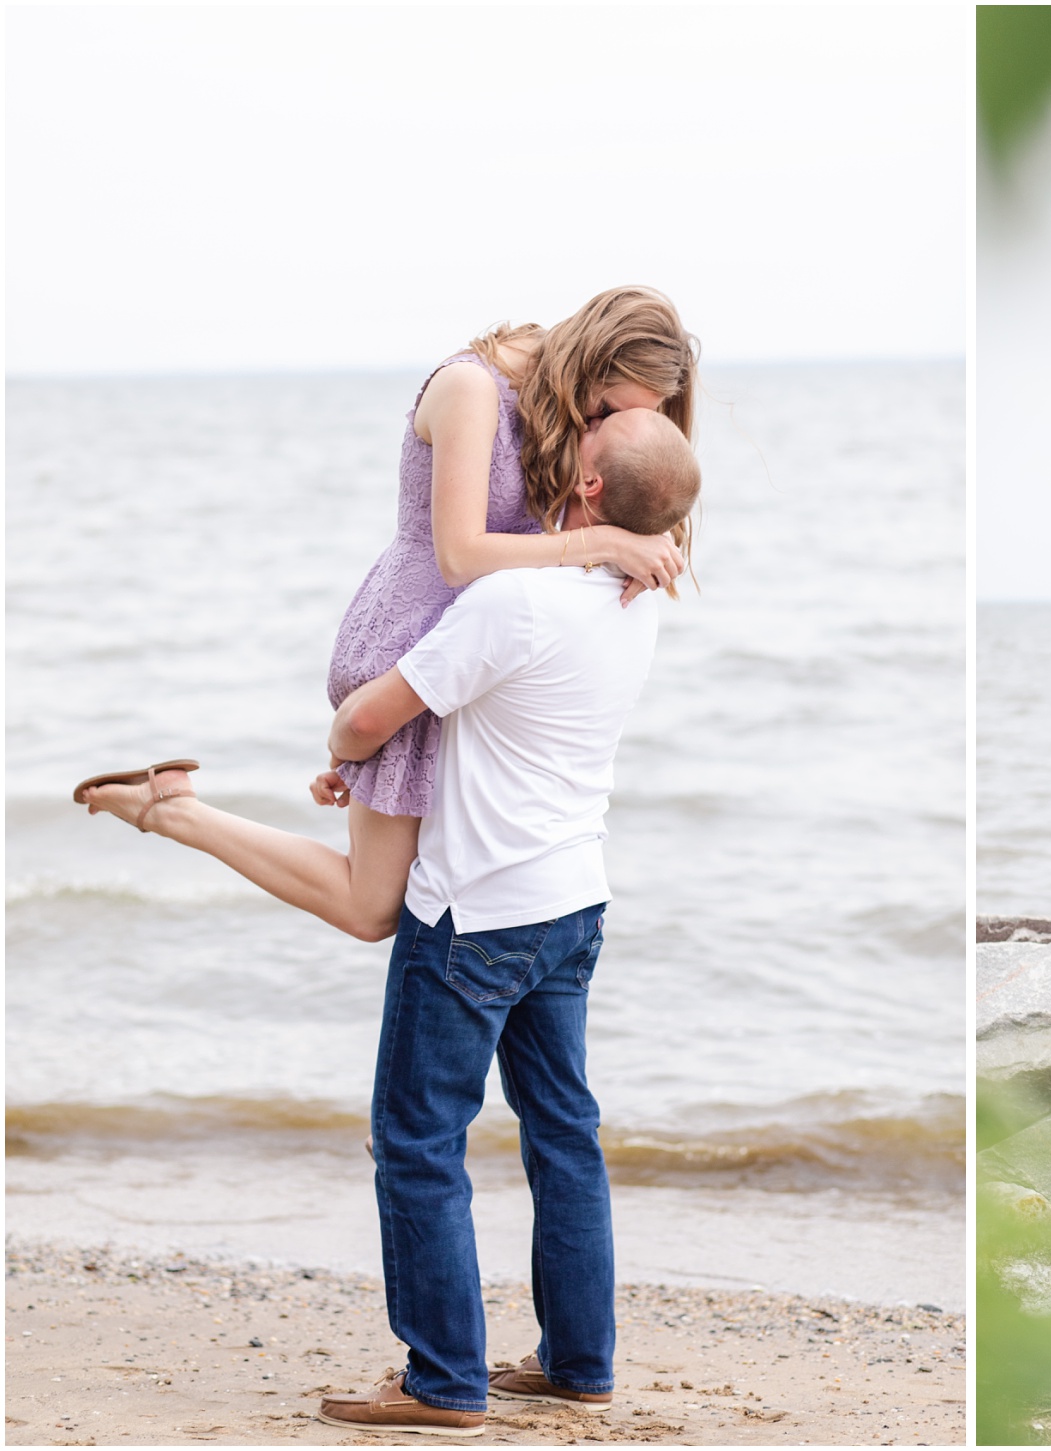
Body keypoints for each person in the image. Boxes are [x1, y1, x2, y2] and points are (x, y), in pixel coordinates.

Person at [294, 408, 697, 1436]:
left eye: (586, 448)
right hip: (573, 898)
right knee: (565, 1133)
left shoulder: (514, 600)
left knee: (418, 1139)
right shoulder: (638, 596)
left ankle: (441, 1380)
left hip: (476, 911)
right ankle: (579, 1362)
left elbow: (362, 718)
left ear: (592, 489)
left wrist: (344, 753)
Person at [72, 287, 697, 941]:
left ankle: (173, 804)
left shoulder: (557, 401)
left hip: (464, 650)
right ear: (595, 363)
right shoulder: (471, 387)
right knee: (371, 906)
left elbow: (600, 496)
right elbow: (459, 556)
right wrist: (602, 542)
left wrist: (646, 541)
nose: (598, 429)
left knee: (430, 883)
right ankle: (169, 811)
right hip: (410, 635)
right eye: (608, 410)